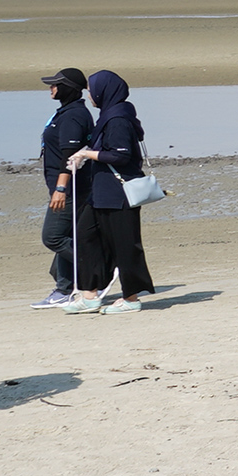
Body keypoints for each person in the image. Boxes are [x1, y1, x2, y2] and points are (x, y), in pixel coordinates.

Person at [61, 70, 157, 314]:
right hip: (101, 192)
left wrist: (86, 154)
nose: (90, 94)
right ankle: (90, 295)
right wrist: (84, 156)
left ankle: (131, 299)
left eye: (93, 90)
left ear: (105, 92)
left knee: (124, 246)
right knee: (86, 237)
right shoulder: (109, 115)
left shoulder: (118, 119)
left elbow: (120, 155)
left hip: (119, 194)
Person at [35, 66, 94, 308]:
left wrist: (60, 190)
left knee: (53, 237)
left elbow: (69, 157)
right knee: (68, 237)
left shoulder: (72, 116)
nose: (51, 87)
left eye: (55, 84)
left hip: (69, 189)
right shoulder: (67, 112)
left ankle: (97, 267)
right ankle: (64, 289)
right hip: (66, 188)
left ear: (67, 88)